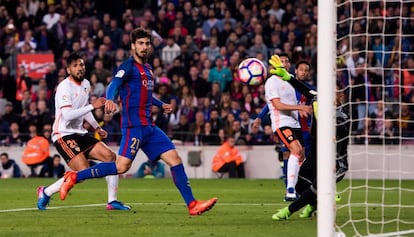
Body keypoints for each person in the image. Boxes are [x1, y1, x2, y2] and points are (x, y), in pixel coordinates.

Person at [59, 28, 217, 216]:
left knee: (175, 160)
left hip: (150, 128)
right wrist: (110, 99)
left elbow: (146, 96)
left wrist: (161, 104)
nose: (144, 47)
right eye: (140, 43)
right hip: (134, 128)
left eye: (147, 43)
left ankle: (192, 204)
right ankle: (74, 177)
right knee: (121, 167)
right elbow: (113, 85)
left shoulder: (148, 69)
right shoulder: (128, 66)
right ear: (133, 46)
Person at [36, 52, 130, 211]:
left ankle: (112, 201)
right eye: (76, 66)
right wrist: (93, 106)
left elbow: (84, 110)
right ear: (68, 70)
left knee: (110, 157)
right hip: (63, 135)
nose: (80, 68)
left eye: (82, 65)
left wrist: (96, 127)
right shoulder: (64, 88)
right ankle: (45, 192)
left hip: (81, 133)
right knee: (82, 172)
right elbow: (67, 115)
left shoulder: (86, 83)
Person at [269, 56, 349, 220]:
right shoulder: (319, 99)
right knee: (300, 184)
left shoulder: (342, 116)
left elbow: (336, 138)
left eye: (336, 93)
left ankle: (288, 211)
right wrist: (285, 75)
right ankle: (312, 206)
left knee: (316, 188)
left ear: (341, 97)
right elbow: (303, 88)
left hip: (334, 162)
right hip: (316, 155)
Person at [253, 54, 313, 201]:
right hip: (281, 123)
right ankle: (290, 189)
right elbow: (277, 105)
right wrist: (300, 108)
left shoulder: (291, 79)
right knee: (294, 151)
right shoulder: (271, 82)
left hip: (296, 124)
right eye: (282, 61)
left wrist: (302, 109)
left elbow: (306, 94)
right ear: (275, 65)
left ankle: (299, 189)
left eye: (287, 61)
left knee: (301, 156)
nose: (285, 63)